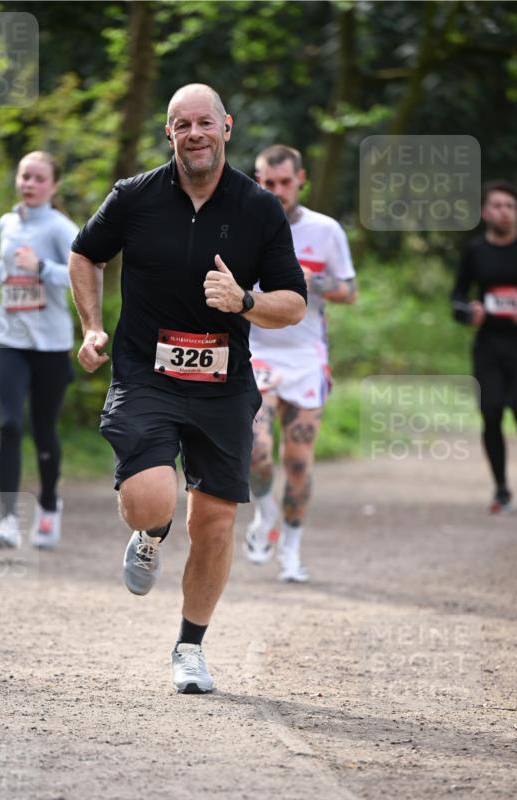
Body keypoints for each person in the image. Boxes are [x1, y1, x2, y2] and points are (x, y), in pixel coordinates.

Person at [69, 84, 306, 694]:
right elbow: (85, 255)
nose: (195, 134)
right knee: (152, 499)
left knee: (216, 523)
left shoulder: (258, 208)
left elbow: (293, 303)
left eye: (205, 122)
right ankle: (148, 535)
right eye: (182, 124)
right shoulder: (134, 197)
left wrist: (245, 300)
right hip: (147, 373)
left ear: (226, 127)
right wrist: (92, 327)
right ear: (168, 134)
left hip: (224, 384)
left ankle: (190, 647)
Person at [244, 145, 356, 582]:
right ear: (257, 181)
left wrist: (317, 282)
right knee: (256, 450)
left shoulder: (325, 230)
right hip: (256, 351)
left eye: (284, 183)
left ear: (301, 179)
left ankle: (290, 547)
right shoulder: (243, 226)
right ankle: (263, 514)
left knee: (297, 460)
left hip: (307, 357)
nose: (276, 191)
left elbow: (350, 290)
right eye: (267, 183)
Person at [0, 151, 79, 548]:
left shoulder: (62, 228)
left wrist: (41, 268)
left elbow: (81, 276)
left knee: (43, 428)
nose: (29, 184)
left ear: (53, 185)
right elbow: (6, 270)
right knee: (10, 423)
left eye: (37, 178)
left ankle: (49, 505)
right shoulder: (7, 222)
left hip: (50, 344)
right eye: (24, 176)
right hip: (7, 338)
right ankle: (6, 521)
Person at [452, 180, 517, 513]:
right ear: (484, 212)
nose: (504, 212)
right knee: (491, 411)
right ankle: (501, 489)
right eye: (497, 206)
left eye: (510, 206)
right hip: (489, 345)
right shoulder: (475, 251)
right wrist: (470, 312)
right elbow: (457, 298)